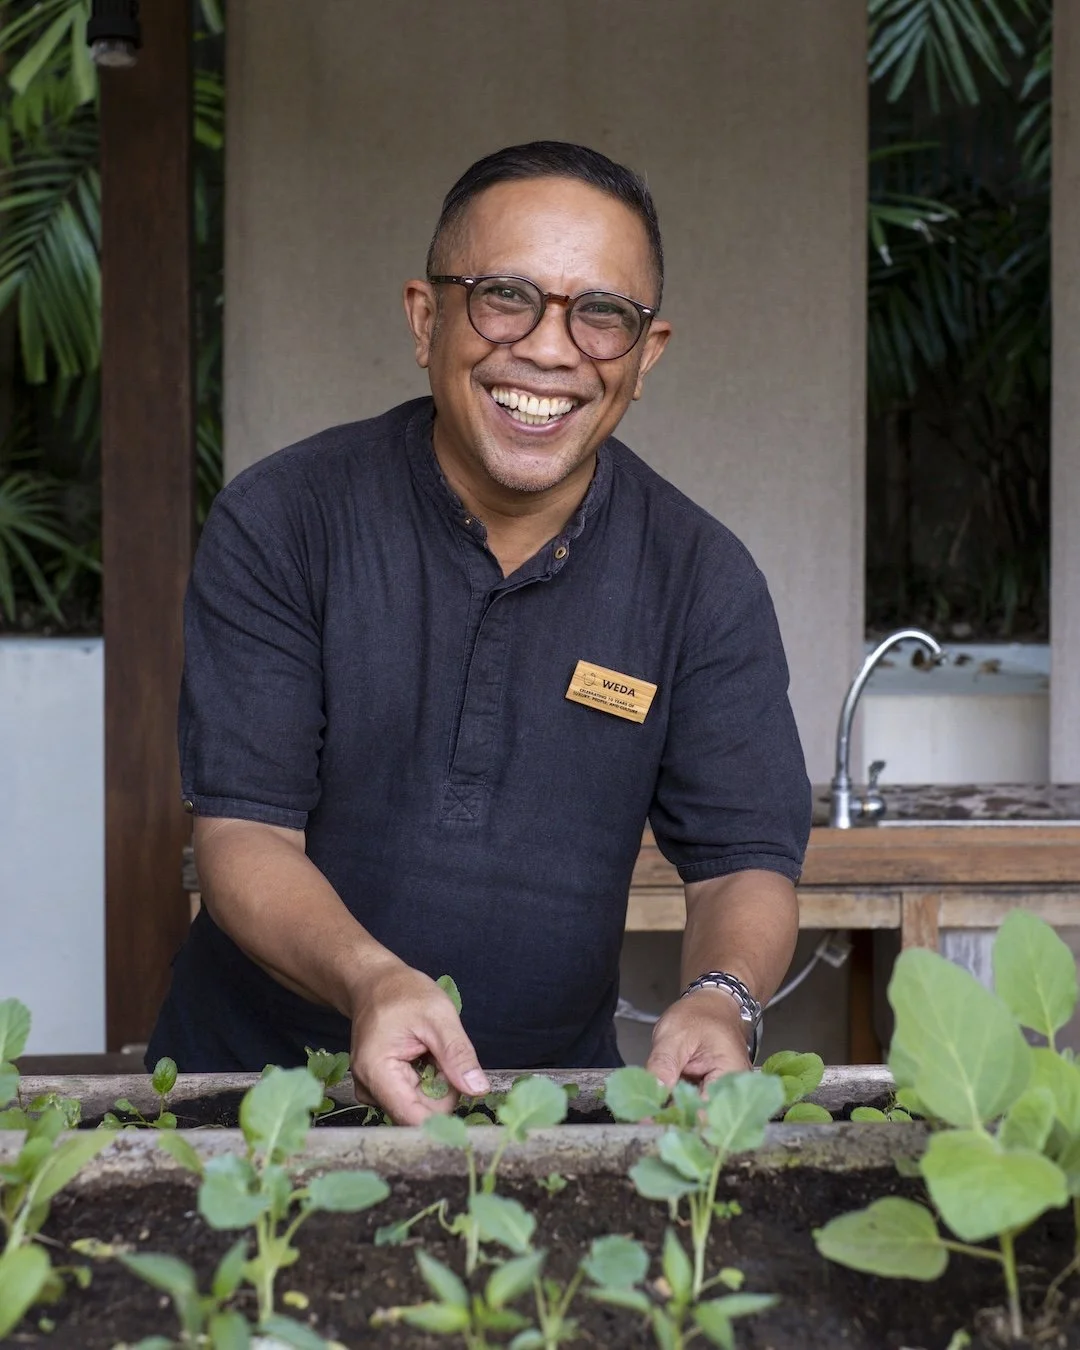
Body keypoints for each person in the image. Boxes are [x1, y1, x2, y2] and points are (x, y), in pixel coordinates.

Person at [148, 141, 812, 1125]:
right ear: (427, 318)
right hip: (254, 1101)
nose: (550, 349)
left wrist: (724, 997)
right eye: (506, 295)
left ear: (647, 353)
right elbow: (244, 833)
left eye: (601, 315)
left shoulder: (699, 579)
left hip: (541, 1118)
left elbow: (741, 863)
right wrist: (373, 979)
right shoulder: (287, 520)